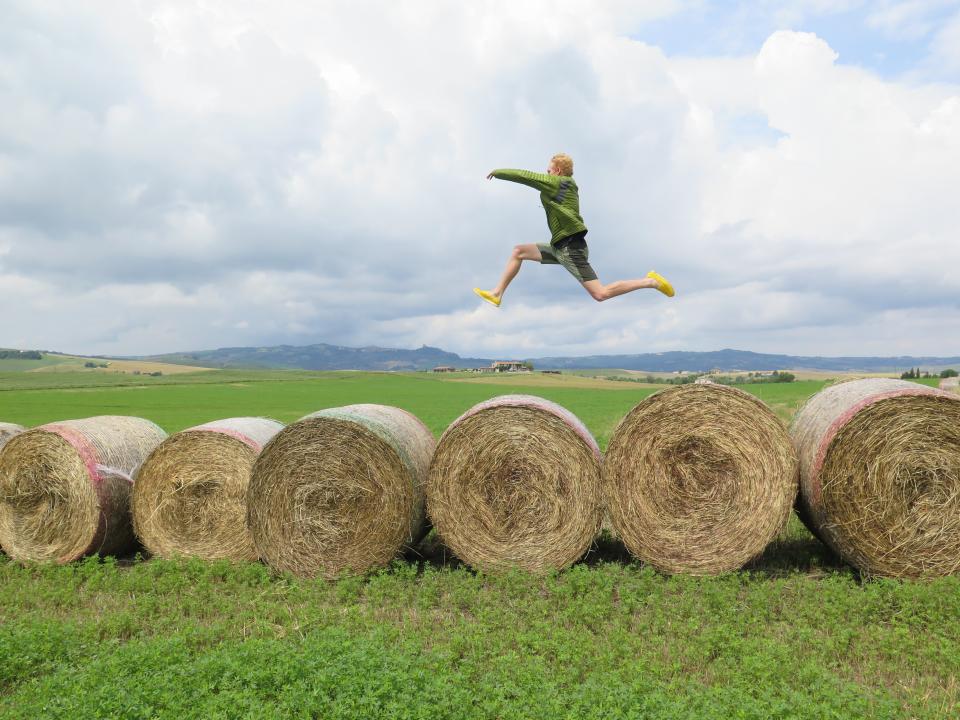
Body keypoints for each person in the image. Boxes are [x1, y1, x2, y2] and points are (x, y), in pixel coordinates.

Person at [474, 153, 674, 307]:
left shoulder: (560, 183)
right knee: (519, 251)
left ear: (558, 171)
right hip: (560, 247)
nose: (546, 174)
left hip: (571, 249)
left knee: (600, 294)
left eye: (549, 171)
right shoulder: (563, 185)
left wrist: (498, 172)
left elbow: (526, 176)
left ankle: (651, 282)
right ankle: (497, 294)